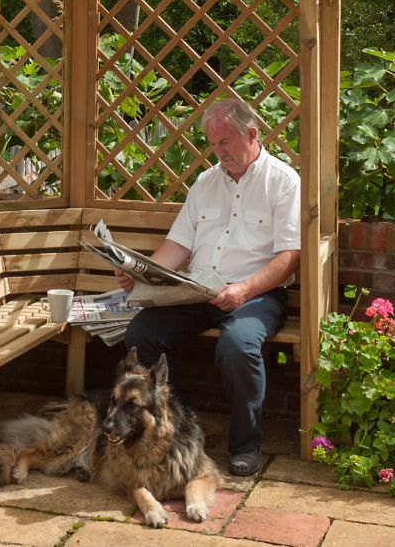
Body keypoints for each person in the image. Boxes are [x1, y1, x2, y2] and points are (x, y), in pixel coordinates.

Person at [118, 98, 300, 476]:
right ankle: (181, 425)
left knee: (237, 345)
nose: (218, 153)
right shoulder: (206, 181)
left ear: (251, 134)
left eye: (224, 143)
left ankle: (245, 444)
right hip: (198, 291)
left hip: (257, 294)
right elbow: (178, 245)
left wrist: (245, 290)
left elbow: (289, 257)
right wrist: (141, 275)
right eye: (213, 145)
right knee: (142, 334)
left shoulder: (283, 182)